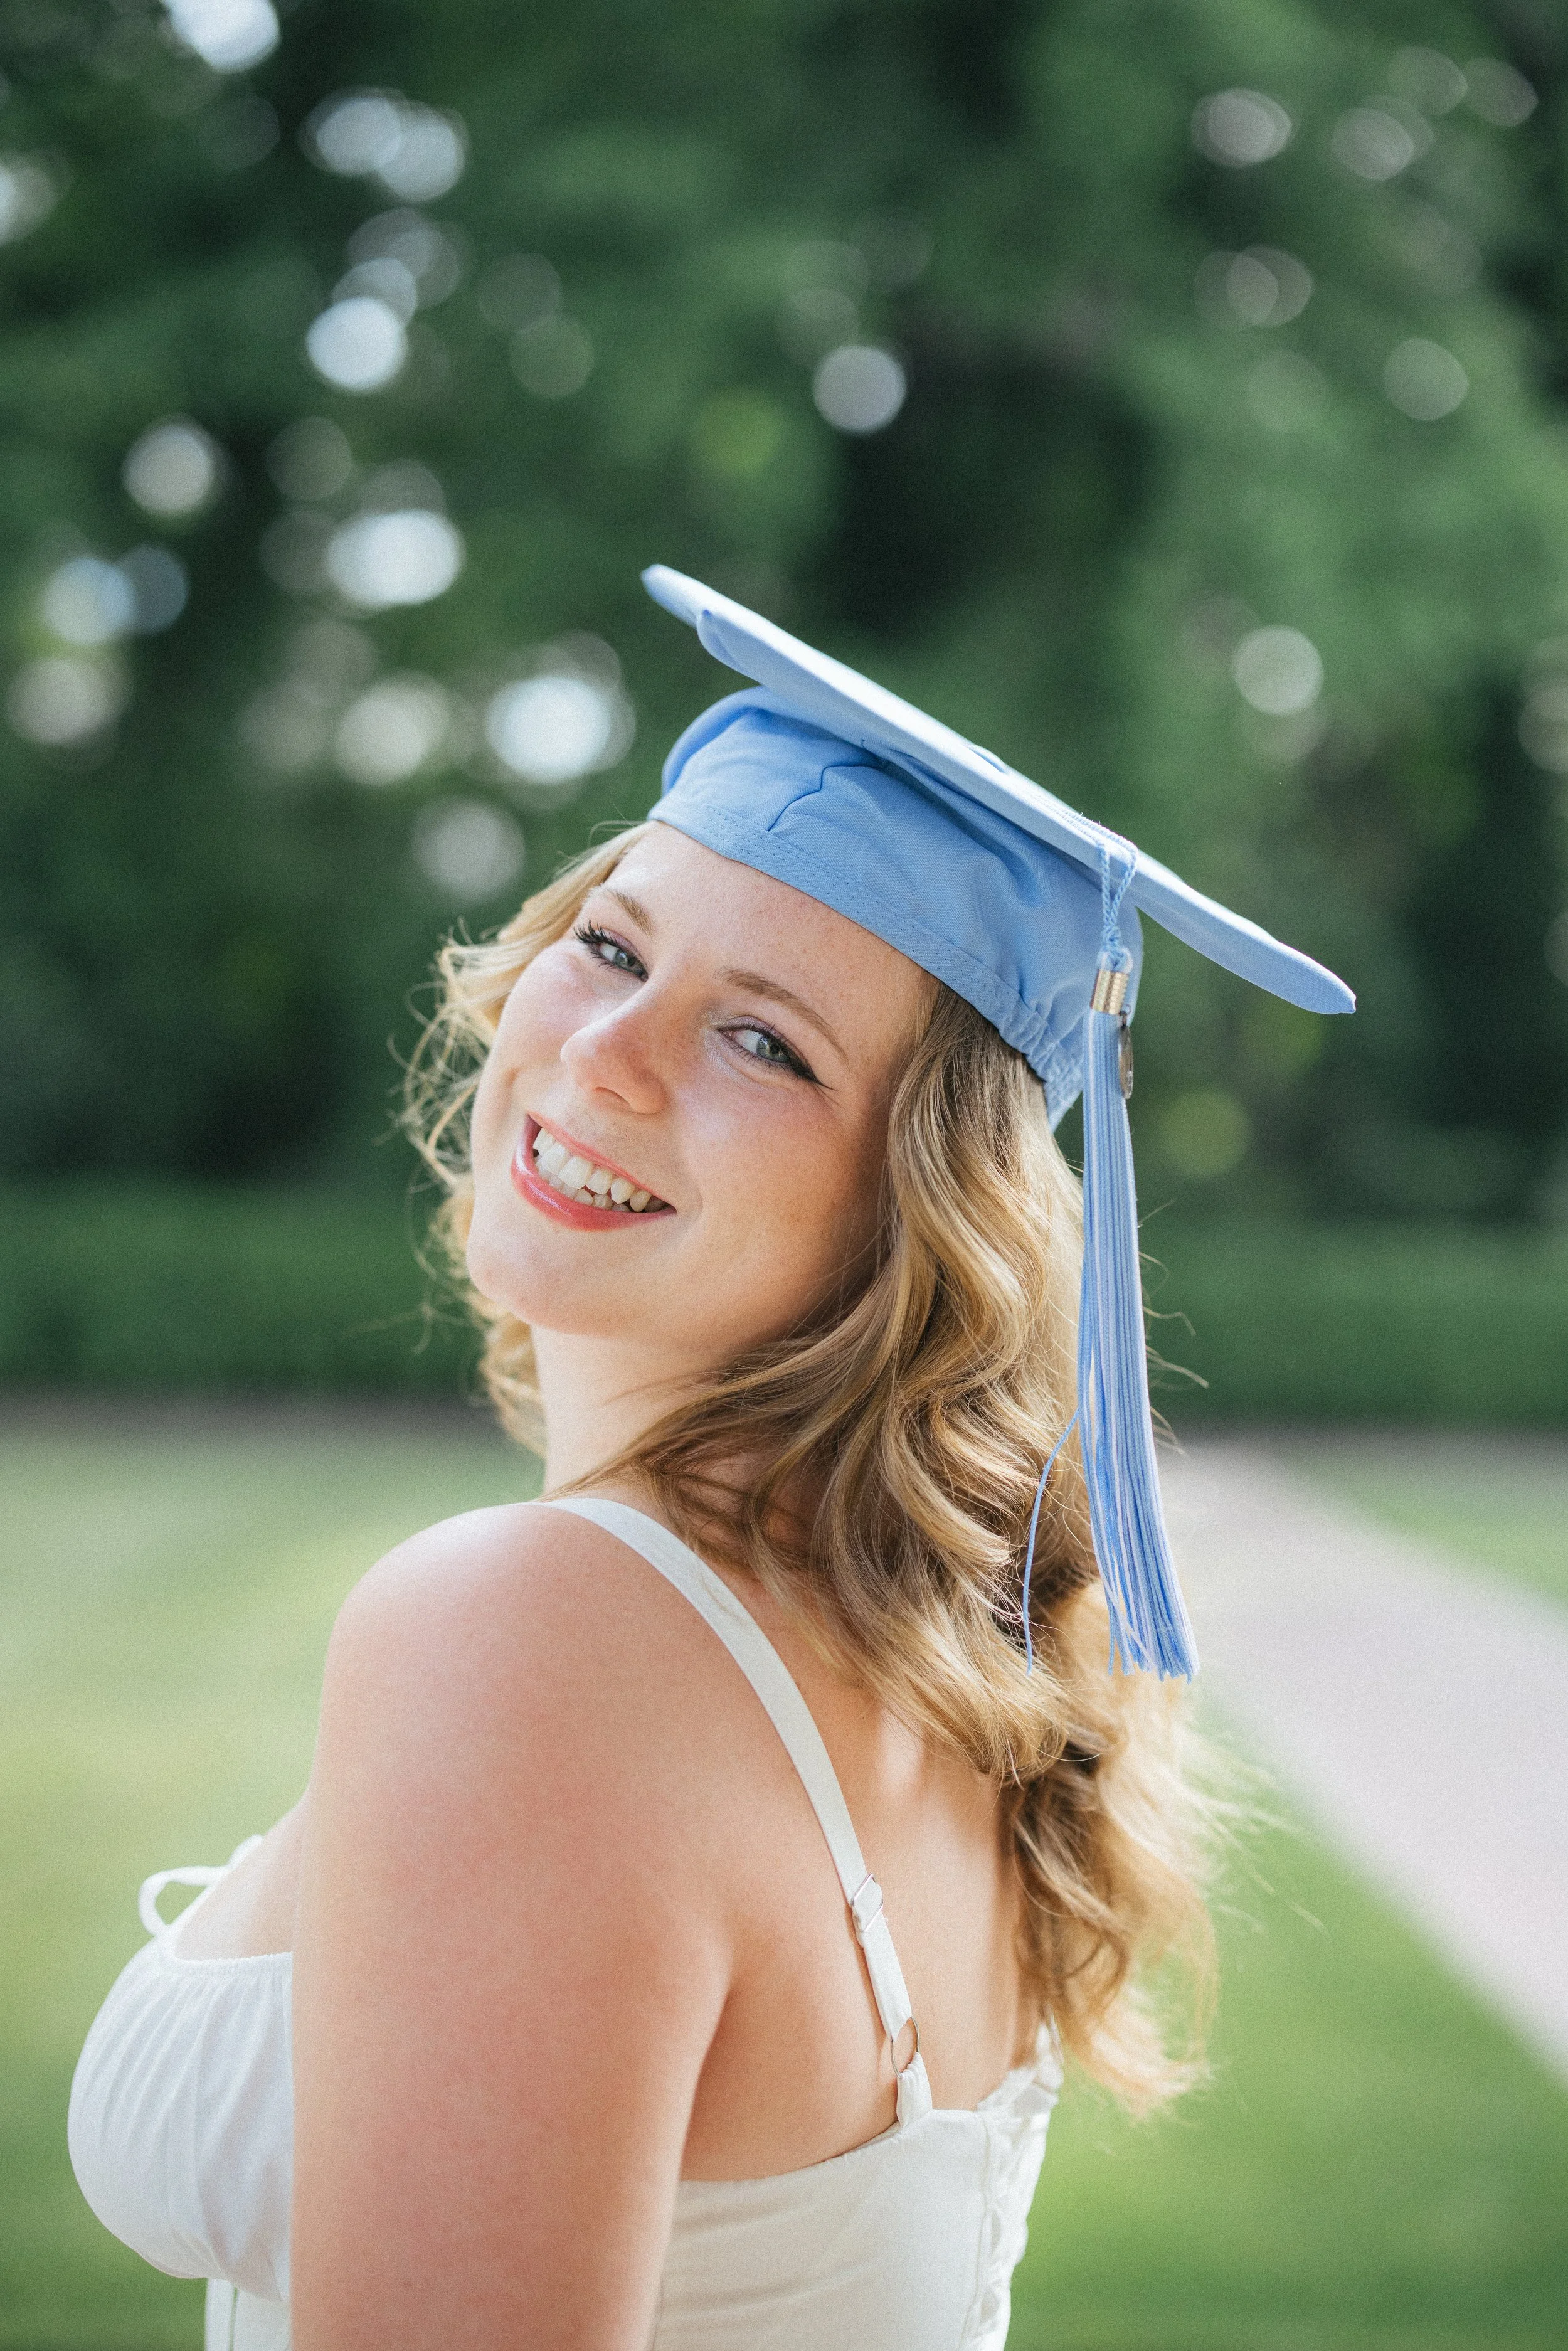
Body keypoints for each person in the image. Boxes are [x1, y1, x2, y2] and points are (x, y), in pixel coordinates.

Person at [69, 569, 1353, 2350]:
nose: (605, 1052)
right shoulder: (926, 1664)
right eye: (612, 943)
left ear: (915, 1210)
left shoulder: (533, 1640)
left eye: (762, 1039)